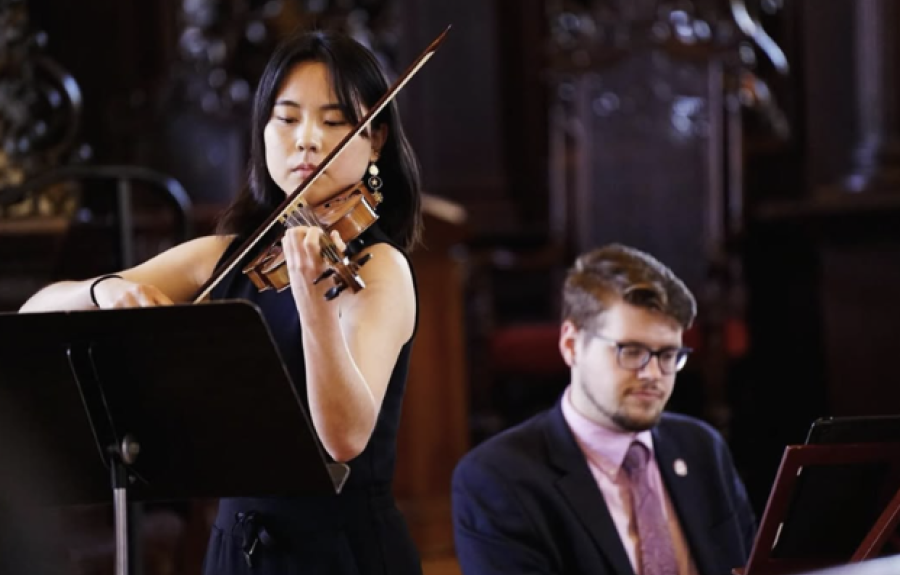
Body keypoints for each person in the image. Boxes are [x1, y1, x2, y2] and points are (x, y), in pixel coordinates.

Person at [21, 30, 424, 574]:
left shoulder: (380, 270)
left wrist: (314, 307)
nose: (307, 139)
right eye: (286, 118)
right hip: (237, 548)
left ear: (374, 142)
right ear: (261, 132)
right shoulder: (225, 256)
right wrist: (105, 288)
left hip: (338, 552)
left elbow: (345, 438)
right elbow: (36, 312)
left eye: (333, 122)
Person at [451, 244, 756, 575]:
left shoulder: (702, 449)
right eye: (631, 351)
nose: (653, 374)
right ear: (571, 344)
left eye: (668, 355)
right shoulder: (499, 479)